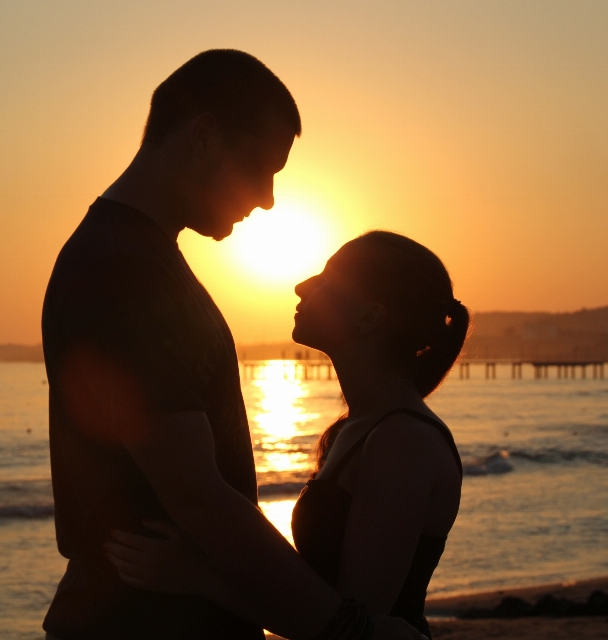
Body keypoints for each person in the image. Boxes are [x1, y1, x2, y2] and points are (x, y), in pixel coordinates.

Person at [42, 49, 424, 640]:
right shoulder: (123, 272)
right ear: (203, 137)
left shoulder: (141, 263)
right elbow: (195, 496)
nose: (268, 198)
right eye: (260, 168)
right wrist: (351, 630)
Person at [106, 231, 468, 639]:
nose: (302, 286)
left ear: (369, 317)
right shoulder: (356, 429)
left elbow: (350, 628)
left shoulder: (403, 442)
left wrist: (200, 577)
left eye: (329, 279)